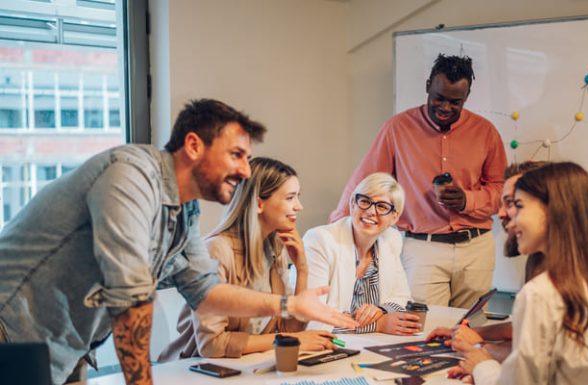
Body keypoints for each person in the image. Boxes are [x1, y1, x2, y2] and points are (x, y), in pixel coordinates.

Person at [0, 99, 356, 385]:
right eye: (236, 155)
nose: (246, 170)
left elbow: (207, 291)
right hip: (11, 333)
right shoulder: (130, 176)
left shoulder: (184, 212)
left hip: (65, 350)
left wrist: (289, 305)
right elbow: (130, 296)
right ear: (193, 145)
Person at [430, 161, 588, 384]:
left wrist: (482, 363)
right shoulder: (583, 274)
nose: (507, 216)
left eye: (517, 205)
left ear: (554, 209)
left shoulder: (545, 291)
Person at [329, 54, 507, 309]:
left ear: (467, 97)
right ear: (427, 86)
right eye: (439, 98)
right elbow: (365, 183)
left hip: (476, 247)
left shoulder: (486, 132)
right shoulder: (397, 128)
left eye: (455, 102)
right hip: (421, 247)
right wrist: (335, 231)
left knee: (471, 329)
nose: (445, 107)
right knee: (422, 329)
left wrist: (468, 199)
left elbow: (501, 190)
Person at [160, 157, 336, 361]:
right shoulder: (216, 250)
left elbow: (287, 327)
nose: (299, 206)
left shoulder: (274, 247)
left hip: (248, 366)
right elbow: (212, 345)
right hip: (197, 370)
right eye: (290, 197)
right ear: (259, 204)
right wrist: (291, 339)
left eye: (298, 196)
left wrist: (302, 267)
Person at [305, 173, 420, 335]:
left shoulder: (391, 239)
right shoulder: (320, 240)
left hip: (371, 343)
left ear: (395, 217)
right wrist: (378, 325)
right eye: (365, 201)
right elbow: (312, 318)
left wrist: (381, 309)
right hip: (329, 344)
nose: (371, 212)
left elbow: (403, 298)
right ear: (352, 203)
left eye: (382, 206)